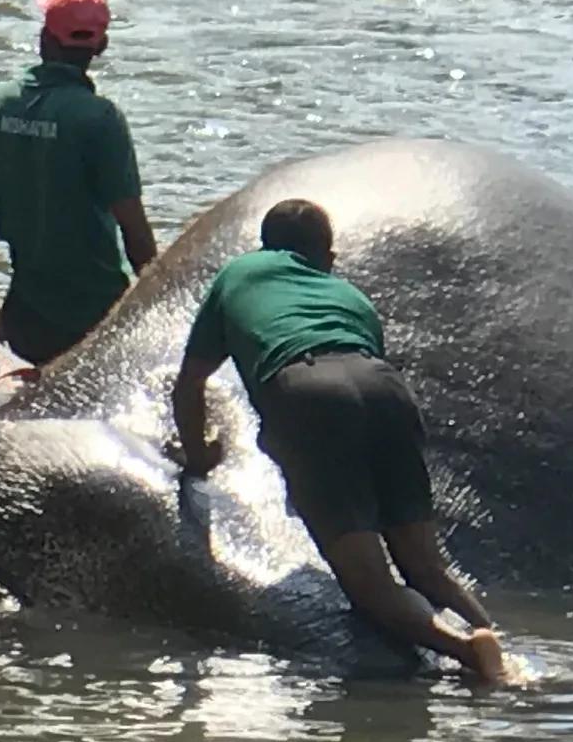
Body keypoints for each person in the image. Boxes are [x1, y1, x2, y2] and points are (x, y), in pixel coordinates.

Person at [176, 197, 511, 686]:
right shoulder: (350, 295)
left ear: (265, 244)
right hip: (384, 387)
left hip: (308, 392)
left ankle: (467, 651)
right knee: (426, 566)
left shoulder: (238, 274)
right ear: (327, 257)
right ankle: (497, 644)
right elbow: (362, 388)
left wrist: (200, 456)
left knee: (369, 584)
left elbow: (190, 383)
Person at [0, 0, 158, 366]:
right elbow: (134, 230)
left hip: (25, 314)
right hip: (99, 314)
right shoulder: (100, 119)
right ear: (101, 46)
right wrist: (162, 302)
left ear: (44, 38)